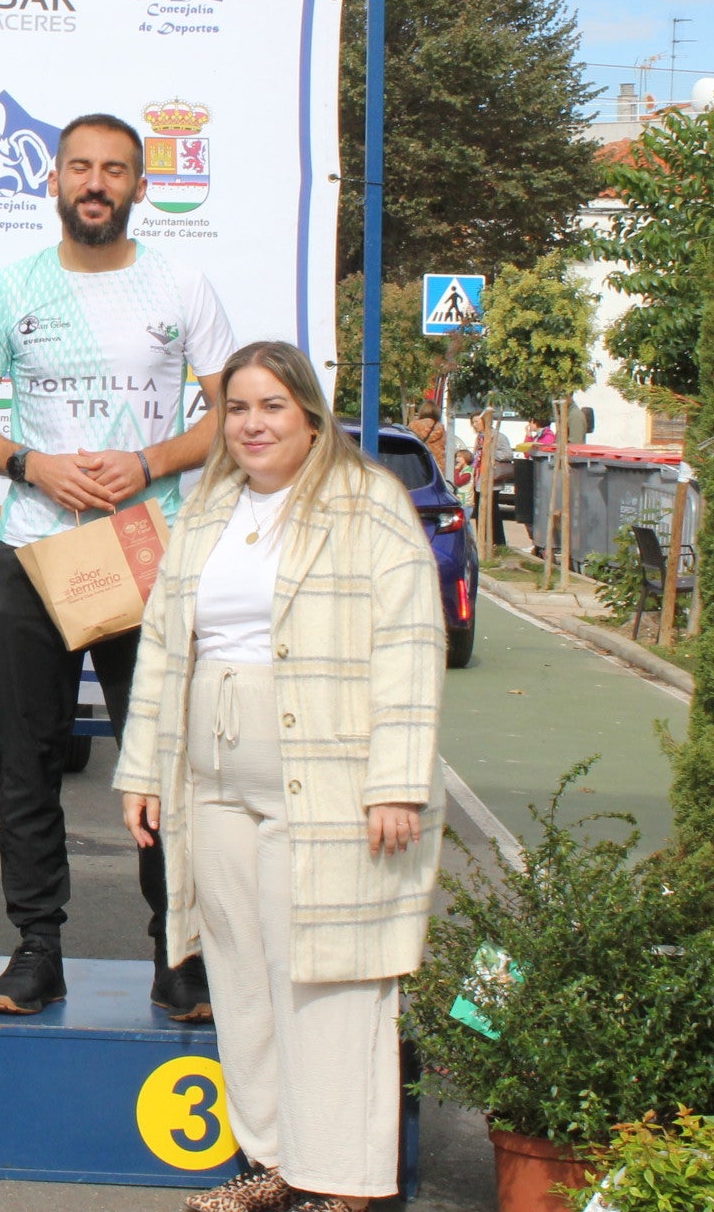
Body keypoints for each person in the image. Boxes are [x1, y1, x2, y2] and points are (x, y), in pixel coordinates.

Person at [116, 341, 446, 1212]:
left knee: (326, 973)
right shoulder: (209, 505)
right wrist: (143, 767)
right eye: (236, 409)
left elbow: (412, 643)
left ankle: (341, 1181)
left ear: (309, 413)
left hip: (331, 773)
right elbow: (161, 642)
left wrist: (396, 782)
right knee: (240, 968)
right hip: (211, 774)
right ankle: (269, 1163)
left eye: (271, 407)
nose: (253, 425)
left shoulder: (367, 502)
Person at [0, 113, 233, 1019]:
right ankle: (38, 950)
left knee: (162, 759)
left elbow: (231, 414)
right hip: (37, 550)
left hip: (150, 550)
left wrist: (149, 464)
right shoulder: (9, 289)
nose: (96, 183)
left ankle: (175, 954)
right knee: (28, 759)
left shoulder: (181, 284)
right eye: (80, 167)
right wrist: (34, 464)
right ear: (55, 181)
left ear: (141, 187)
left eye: (115, 170)